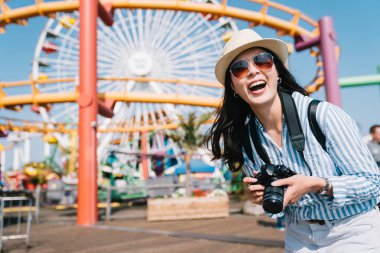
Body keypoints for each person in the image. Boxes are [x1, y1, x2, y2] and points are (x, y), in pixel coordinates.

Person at [205, 29, 380, 252]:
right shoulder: (245, 139)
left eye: (263, 61)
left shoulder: (322, 115)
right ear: (233, 87)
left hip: (353, 232)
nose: (252, 71)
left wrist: (318, 184)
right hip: (299, 237)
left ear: (278, 72)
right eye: (239, 68)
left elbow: (373, 184)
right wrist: (265, 198)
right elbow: (276, 211)